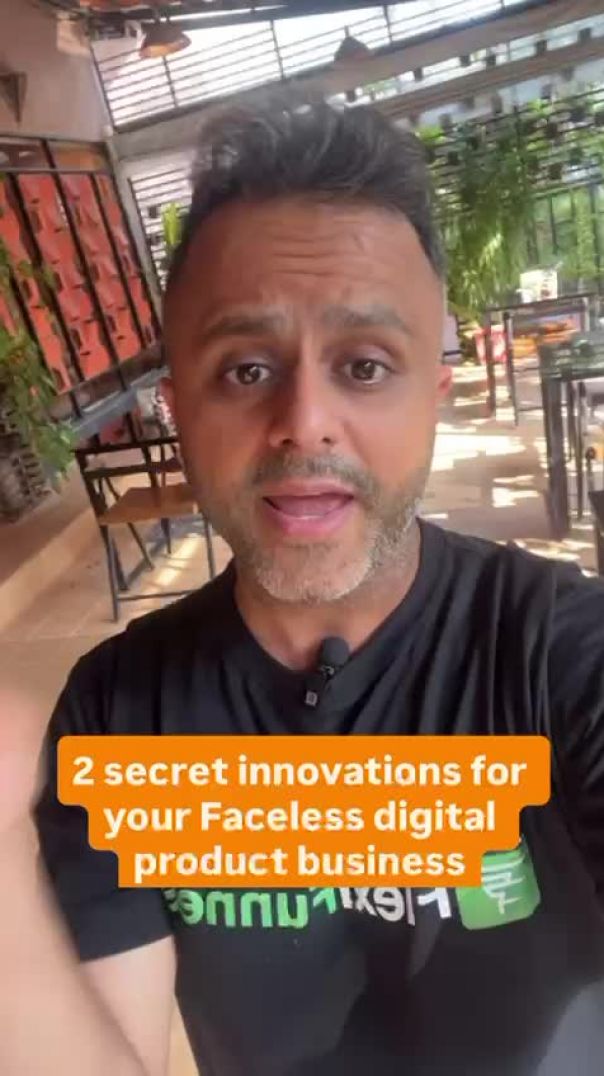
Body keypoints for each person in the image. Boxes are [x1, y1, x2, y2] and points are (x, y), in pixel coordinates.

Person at [1, 90, 604, 1076]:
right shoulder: (120, 714)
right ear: (178, 409)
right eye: (245, 370)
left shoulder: (561, 652)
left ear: (434, 397)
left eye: (364, 365)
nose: (304, 421)